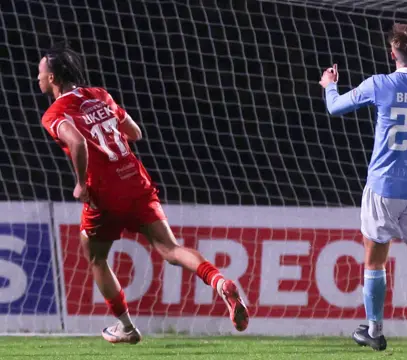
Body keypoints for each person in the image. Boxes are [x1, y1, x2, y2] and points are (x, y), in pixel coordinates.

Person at [38, 42, 249, 344]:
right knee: (170, 249)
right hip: (135, 179)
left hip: (105, 192)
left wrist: (82, 183)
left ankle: (126, 326)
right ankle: (219, 281)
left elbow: (78, 143)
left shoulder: (54, 112)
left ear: (54, 78)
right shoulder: (100, 94)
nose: (38, 79)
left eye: (41, 73)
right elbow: (135, 133)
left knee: (95, 257)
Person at [319, 23, 407, 351]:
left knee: (375, 260)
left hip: (384, 187)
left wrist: (329, 85)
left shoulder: (380, 84)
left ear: (392, 52)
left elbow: (335, 108)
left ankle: (375, 330)